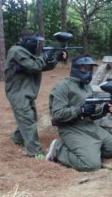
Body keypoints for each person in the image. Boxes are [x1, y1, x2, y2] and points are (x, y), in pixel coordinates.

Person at [46, 55, 112, 171]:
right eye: (84, 68)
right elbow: (57, 113)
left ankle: (89, 151)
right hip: (71, 129)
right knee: (91, 165)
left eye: (90, 69)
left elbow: (90, 114)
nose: (88, 72)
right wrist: (80, 110)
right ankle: (58, 149)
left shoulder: (87, 87)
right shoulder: (62, 87)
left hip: (89, 126)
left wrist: (104, 110)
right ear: (75, 69)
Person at [4, 30, 67, 160]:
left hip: (26, 92)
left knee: (30, 117)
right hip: (18, 92)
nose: (36, 46)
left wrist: (56, 58)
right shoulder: (16, 50)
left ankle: (17, 139)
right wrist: (44, 56)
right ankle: (35, 152)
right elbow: (34, 66)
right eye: (35, 43)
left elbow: (42, 66)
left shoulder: (26, 54)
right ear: (26, 41)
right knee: (27, 119)